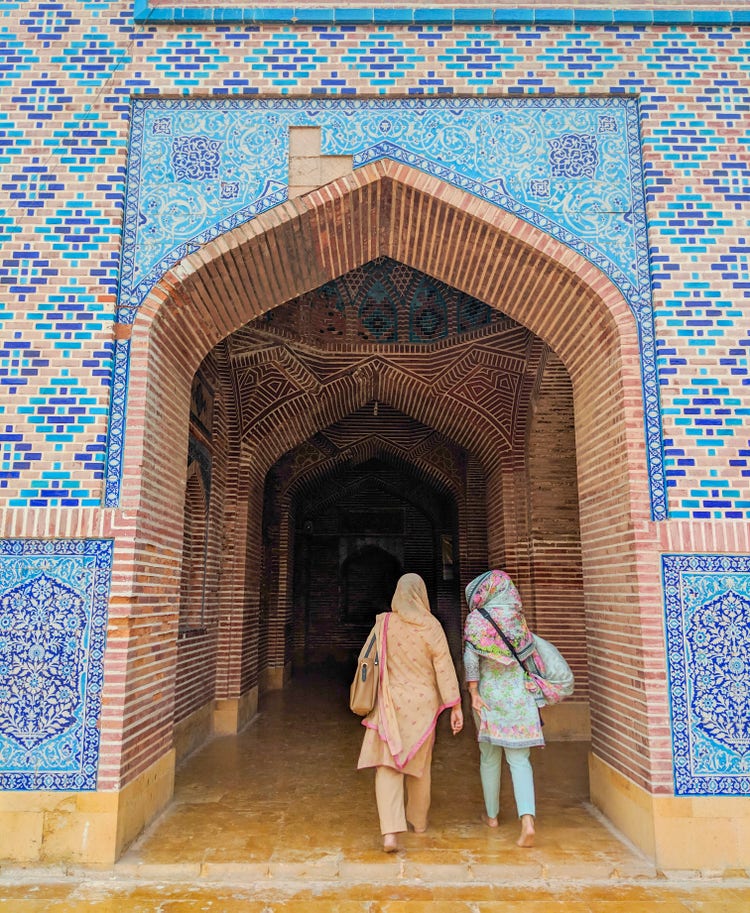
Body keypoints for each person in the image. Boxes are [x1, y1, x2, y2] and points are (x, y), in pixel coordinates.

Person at [357, 573, 464, 853]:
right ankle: (418, 822)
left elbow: (368, 658)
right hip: (422, 705)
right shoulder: (431, 626)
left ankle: (390, 833)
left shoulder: (385, 623)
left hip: (391, 703)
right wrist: (456, 705)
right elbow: (444, 667)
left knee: (388, 764)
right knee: (419, 766)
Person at [463, 569, 544, 847]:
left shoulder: (476, 620)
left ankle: (493, 816)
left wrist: (473, 692)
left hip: (489, 696)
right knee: (520, 760)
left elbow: (471, 660)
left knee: (489, 757)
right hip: (519, 696)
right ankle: (527, 821)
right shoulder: (516, 618)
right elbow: (530, 655)